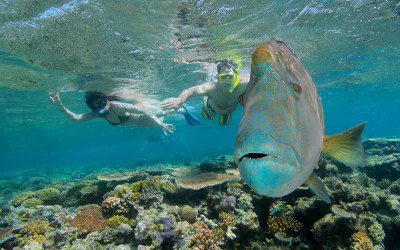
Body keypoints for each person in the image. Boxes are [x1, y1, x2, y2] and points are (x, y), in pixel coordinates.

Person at [160, 60, 248, 125]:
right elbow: (192, 91)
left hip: (229, 110)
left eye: (231, 77)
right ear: (218, 78)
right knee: (208, 117)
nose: (227, 82)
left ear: (237, 77)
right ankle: (205, 99)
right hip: (211, 109)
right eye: (223, 77)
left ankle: (224, 114)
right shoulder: (212, 88)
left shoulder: (243, 85)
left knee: (225, 122)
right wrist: (179, 100)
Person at [49, 91, 176, 135]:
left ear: (106, 99)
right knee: (157, 124)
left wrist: (160, 124)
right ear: (90, 106)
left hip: (141, 115)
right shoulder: (97, 114)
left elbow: (144, 110)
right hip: (137, 123)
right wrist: (60, 106)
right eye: (95, 104)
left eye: (101, 101)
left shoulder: (116, 106)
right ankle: (173, 113)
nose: (99, 105)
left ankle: (182, 109)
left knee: (166, 112)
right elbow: (75, 118)